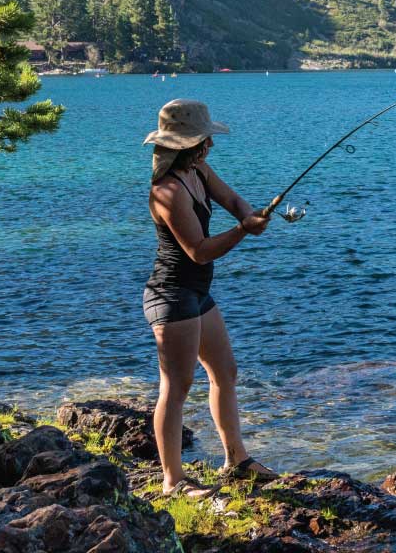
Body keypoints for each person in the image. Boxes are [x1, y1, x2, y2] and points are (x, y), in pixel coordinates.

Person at [143, 99, 275, 497]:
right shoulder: (167, 190)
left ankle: (237, 461)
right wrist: (243, 232)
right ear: (189, 144)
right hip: (171, 296)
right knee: (177, 386)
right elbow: (198, 250)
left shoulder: (197, 169)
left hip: (196, 293)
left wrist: (251, 214)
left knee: (225, 372)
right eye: (205, 140)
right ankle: (173, 481)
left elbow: (234, 202)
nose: (210, 146)